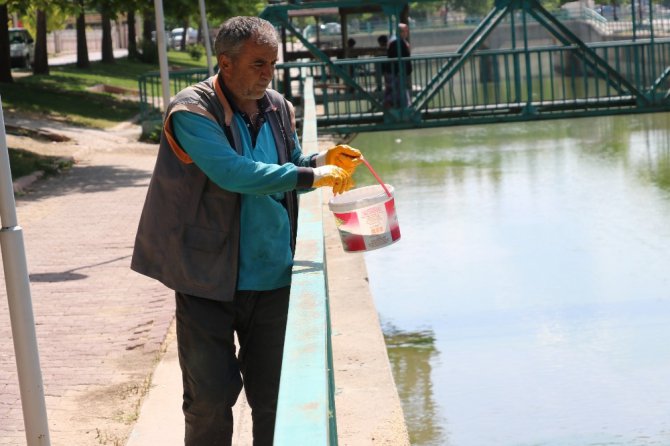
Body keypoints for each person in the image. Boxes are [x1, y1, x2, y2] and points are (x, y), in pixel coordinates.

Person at [130, 16, 362, 446]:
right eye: (258, 64)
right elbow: (233, 173)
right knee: (210, 399)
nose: (267, 75)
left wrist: (320, 158)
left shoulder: (278, 107)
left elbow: (288, 162)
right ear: (226, 62)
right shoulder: (191, 110)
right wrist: (311, 176)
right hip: (206, 279)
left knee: (275, 399)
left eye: (272, 64)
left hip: (273, 274)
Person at [385, 23, 412, 109]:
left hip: (395, 71)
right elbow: (399, 55)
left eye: (406, 31)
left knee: (395, 90)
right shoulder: (397, 41)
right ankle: (404, 109)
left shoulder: (396, 40)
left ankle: (402, 107)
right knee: (398, 91)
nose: (406, 33)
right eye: (404, 31)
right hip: (397, 72)